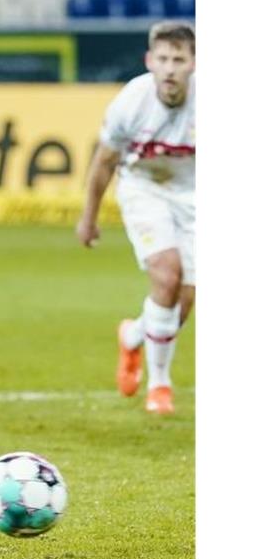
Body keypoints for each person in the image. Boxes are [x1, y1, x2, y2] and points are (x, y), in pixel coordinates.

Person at [76, 21, 195, 415]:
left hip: (195, 196)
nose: (170, 68)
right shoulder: (132, 100)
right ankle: (160, 386)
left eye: (179, 59)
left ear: (193, 63)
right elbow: (104, 162)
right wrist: (89, 217)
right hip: (144, 188)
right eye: (163, 59)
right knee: (166, 273)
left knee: (182, 302)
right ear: (149, 61)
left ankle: (132, 336)